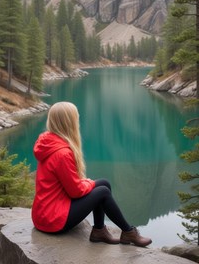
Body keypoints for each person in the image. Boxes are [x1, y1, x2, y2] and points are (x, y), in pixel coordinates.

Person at [32, 101, 152, 247]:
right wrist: (89, 183)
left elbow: (69, 185)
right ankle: (128, 232)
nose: (78, 121)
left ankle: (99, 231)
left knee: (104, 183)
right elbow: (75, 192)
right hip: (53, 220)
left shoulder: (49, 142)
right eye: (76, 118)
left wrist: (87, 183)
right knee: (102, 191)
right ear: (69, 122)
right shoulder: (62, 153)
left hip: (44, 213)